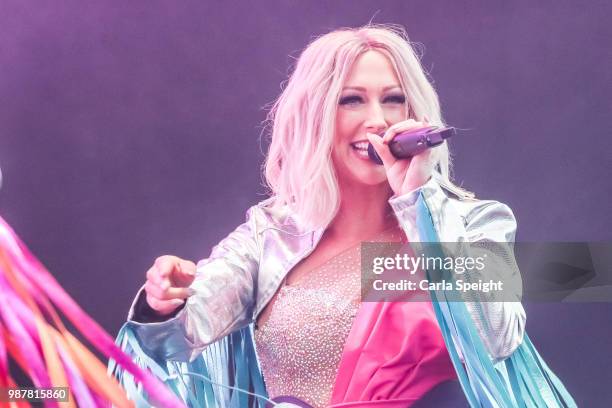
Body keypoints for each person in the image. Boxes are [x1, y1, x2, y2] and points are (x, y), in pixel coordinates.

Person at [113, 25, 576, 408]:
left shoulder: (476, 223)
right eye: (351, 100)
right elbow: (170, 346)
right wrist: (163, 301)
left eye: (393, 100)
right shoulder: (271, 233)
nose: (377, 119)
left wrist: (419, 201)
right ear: (314, 116)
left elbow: (493, 339)